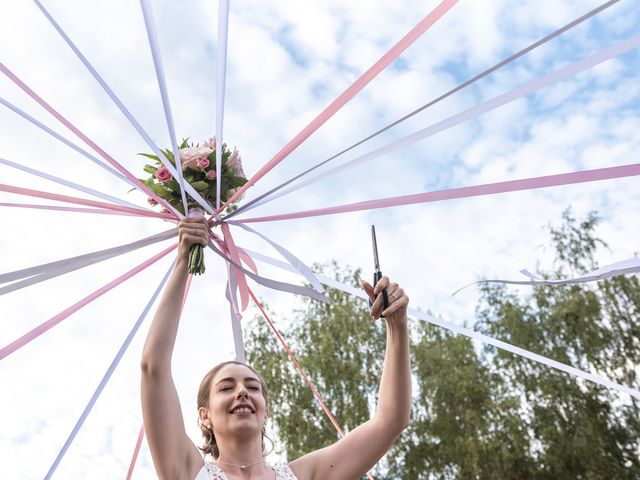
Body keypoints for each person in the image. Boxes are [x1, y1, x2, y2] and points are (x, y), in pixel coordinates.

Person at [141, 216, 411, 480]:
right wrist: (183, 262)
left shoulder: (306, 475)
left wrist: (397, 326)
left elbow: (390, 419)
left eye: (253, 387)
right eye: (226, 388)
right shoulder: (188, 471)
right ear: (205, 416)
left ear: (265, 410)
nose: (242, 392)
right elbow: (153, 367)